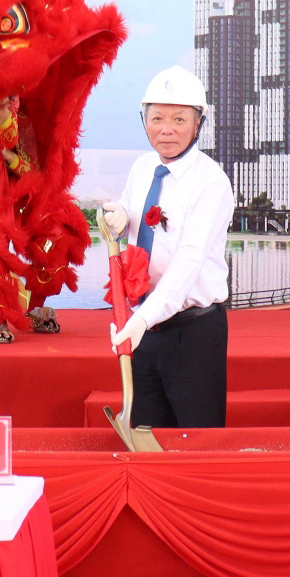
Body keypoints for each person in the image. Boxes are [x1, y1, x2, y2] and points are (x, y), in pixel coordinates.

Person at [100, 67, 235, 428]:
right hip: (144, 326)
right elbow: (132, 208)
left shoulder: (212, 183)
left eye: (179, 119)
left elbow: (188, 263)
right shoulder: (144, 167)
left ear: (199, 123)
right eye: (156, 118)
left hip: (191, 333)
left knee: (197, 438)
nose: (166, 129)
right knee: (146, 431)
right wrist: (120, 214)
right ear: (144, 120)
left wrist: (141, 319)